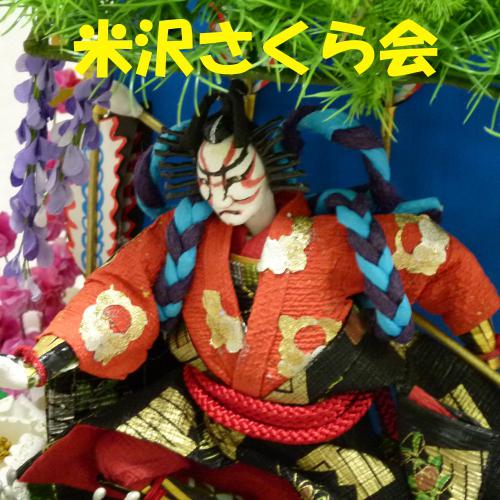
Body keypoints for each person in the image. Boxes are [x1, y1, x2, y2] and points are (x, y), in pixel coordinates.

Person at [0, 81, 498, 499]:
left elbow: (428, 249)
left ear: (265, 165)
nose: (223, 195)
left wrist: (484, 339)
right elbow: (120, 286)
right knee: (116, 454)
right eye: (208, 181)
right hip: (204, 413)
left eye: (235, 177)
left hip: (309, 436)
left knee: (373, 491)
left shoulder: (330, 241)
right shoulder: (185, 232)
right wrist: (39, 363)